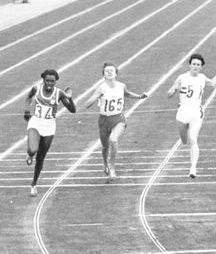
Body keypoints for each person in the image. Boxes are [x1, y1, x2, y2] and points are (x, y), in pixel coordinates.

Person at [167, 54, 216, 178]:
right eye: (193, 64)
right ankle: (186, 143)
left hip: (196, 112)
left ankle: (193, 168)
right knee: (184, 140)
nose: (195, 66)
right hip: (182, 113)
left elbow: (213, 83)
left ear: (201, 67)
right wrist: (173, 90)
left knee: (193, 139)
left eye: (198, 65)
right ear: (190, 65)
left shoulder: (202, 78)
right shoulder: (181, 78)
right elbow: (170, 92)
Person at [84, 63, 148, 181]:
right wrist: (92, 100)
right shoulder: (101, 88)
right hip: (104, 120)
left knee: (113, 139)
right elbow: (89, 101)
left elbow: (127, 93)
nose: (109, 72)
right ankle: (106, 165)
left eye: (111, 70)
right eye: (107, 71)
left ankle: (112, 168)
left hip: (118, 118)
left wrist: (139, 96)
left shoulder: (121, 86)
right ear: (103, 74)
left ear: (116, 73)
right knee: (104, 147)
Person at [24, 69, 76, 197]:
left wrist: (70, 98)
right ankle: (29, 154)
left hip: (49, 127)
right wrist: (26, 110)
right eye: (47, 80)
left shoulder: (59, 93)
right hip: (35, 123)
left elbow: (72, 110)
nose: (49, 83)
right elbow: (28, 97)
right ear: (43, 80)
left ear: (55, 81)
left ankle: (34, 184)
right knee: (33, 150)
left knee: (40, 158)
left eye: (52, 81)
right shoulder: (36, 89)